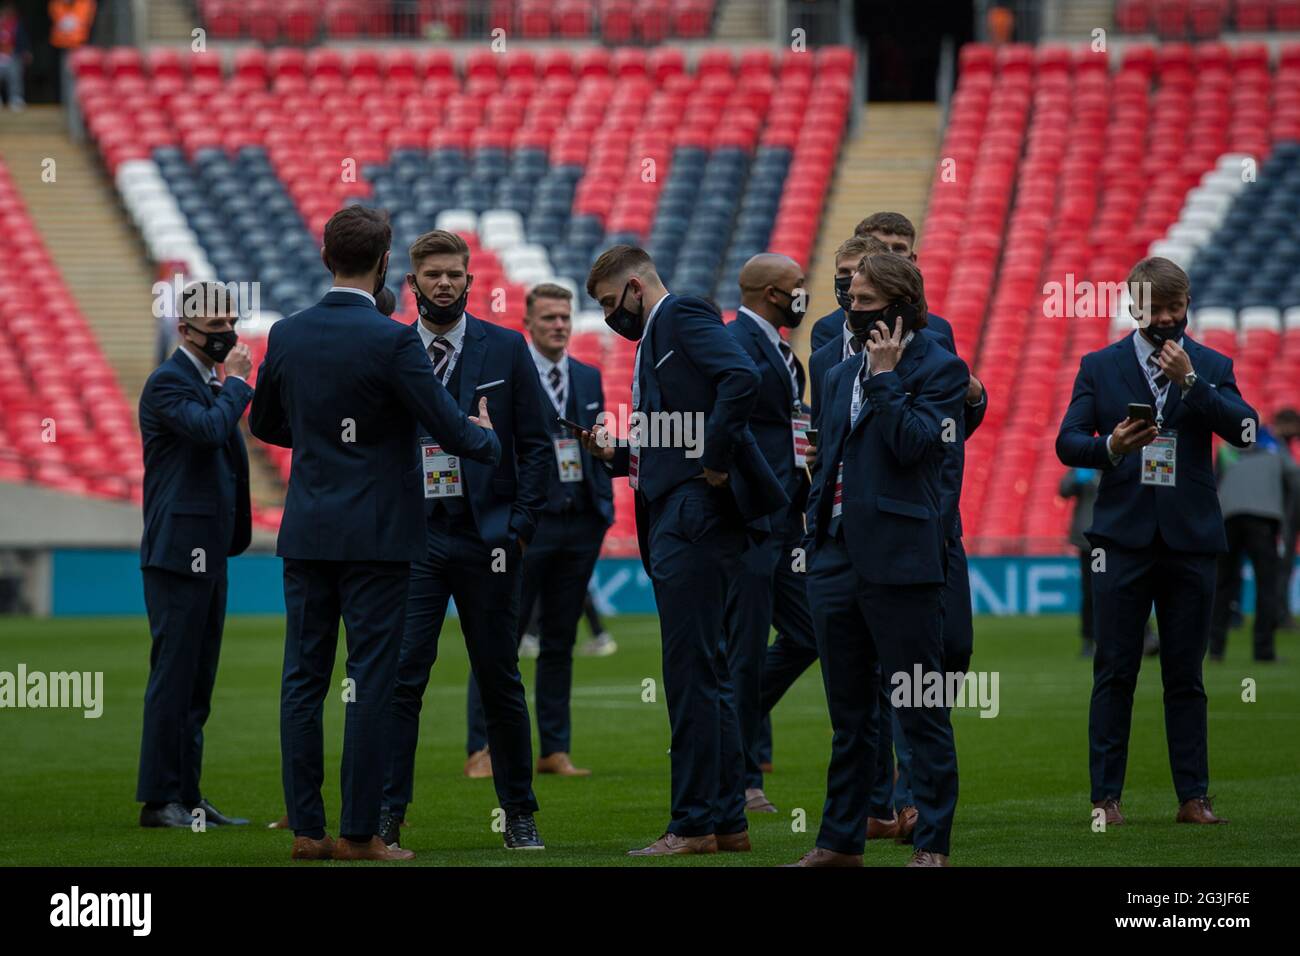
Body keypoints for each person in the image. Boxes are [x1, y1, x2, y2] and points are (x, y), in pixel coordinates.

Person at [250, 207, 500, 862]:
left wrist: (322, 444)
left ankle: (308, 829)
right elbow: (449, 429)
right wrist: (488, 438)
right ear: (387, 263)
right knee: (370, 681)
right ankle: (361, 833)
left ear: (326, 256)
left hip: (307, 531)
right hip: (381, 537)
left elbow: (268, 424)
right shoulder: (394, 341)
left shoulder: (287, 333)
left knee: (302, 680)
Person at [577, 244, 787, 857]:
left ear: (637, 287)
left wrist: (716, 461)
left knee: (692, 674)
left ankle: (693, 823)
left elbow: (740, 378)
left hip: (692, 514)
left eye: (612, 303)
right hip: (682, 508)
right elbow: (673, 436)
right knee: (708, 673)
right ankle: (725, 823)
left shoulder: (683, 316)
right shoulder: (657, 339)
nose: (612, 317)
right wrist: (614, 455)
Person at [1056, 256, 1258, 828]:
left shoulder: (1212, 364)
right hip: (1120, 540)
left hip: (1191, 540)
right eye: (1155, 309)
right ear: (1133, 308)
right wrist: (1112, 446)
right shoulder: (1100, 366)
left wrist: (1191, 383)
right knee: (1114, 670)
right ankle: (1105, 799)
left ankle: (1194, 797)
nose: (1167, 319)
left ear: (1187, 303)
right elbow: (1068, 442)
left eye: (1176, 308)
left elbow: (1244, 429)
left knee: (1186, 675)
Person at [787, 251, 967, 868]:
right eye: (849, 298)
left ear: (899, 305)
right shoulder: (835, 375)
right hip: (836, 558)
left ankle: (931, 845)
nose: (852, 309)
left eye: (864, 301)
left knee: (919, 706)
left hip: (902, 561)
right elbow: (825, 458)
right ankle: (839, 843)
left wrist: (888, 380)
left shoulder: (941, 369)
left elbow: (918, 447)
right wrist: (816, 534)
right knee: (850, 716)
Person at [380, 230, 551, 850]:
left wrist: (520, 526)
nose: (444, 284)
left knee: (500, 678)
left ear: (471, 281)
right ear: (413, 284)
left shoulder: (505, 348)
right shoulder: (393, 349)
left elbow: (536, 444)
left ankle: (519, 812)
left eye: (454, 274)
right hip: (415, 539)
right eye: (433, 276)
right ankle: (386, 815)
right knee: (403, 679)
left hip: (489, 540)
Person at [464, 282, 613, 778]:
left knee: (560, 642)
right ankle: (482, 747)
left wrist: (603, 507)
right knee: (498, 638)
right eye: (548, 317)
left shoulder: (589, 377)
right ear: (527, 322)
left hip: (580, 522)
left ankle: (555, 748)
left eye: (565, 318)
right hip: (528, 524)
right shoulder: (507, 371)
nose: (558, 325)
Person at [136, 280, 253, 830]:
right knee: (174, 676)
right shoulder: (169, 383)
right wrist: (238, 385)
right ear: (184, 329)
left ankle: (189, 793)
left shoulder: (206, 380)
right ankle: (160, 799)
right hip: (179, 550)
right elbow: (208, 433)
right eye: (214, 327)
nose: (225, 335)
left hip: (209, 548)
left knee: (197, 682)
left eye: (230, 324)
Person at [723, 254, 816, 816]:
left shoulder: (783, 353)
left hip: (787, 519)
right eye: (797, 287)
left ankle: (727, 722)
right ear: (770, 293)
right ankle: (740, 779)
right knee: (745, 648)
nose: (804, 296)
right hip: (753, 520)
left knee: (805, 636)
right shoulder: (734, 345)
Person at [1210, 424, 1300, 661]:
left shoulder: (1227, 448)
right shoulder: (1276, 448)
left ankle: (1215, 648)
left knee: (1222, 585)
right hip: (1264, 519)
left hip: (1229, 517)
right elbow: (1295, 477)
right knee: (1266, 585)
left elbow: (1213, 482)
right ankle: (1264, 650)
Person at [809, 212, 926, 353]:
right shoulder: (826, 331)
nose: (891, 258)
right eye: (845, 271)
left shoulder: (936, 332)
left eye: (898, 249)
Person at [1060, 468, 1101, 657]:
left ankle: (1141, 636)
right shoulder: (1084, 468)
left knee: (1107, 589)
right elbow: (1064, 490)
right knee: (1092, 590)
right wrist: (1078, 476)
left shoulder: (1115, 465)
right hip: (1090, 542)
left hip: (1108, 539)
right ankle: (1089, 639)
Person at [1271, 408, 1300, 629]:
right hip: (1281, 519)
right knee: (1281, 568)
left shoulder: (1282, 448)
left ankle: (1280, 613)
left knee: (1283, 567)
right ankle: (1279, 615)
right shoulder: (1276, 449)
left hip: (1283, 518)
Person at [48, 0, 94, 103]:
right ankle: (63, 101)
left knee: (80, 77)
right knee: (63, 76)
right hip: (62, 46)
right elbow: (57, 16)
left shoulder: (85, 3)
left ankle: (77, 101)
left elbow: (84, 20)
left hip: (79, 45)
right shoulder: (57, 4)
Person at [0, 1, 30, 111]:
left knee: (15, 78)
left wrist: (25, 52)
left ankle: (16, 99)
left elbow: (22, 40)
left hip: (13, 56)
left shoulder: (16, 24)